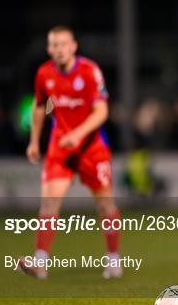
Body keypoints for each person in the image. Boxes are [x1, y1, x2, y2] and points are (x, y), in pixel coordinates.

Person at [19, 25, 122, 279]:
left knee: (105, 205)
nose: (59, 49)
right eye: (54, 45)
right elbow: (39, 105)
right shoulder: (44, 74)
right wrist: (34, 141)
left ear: (74, 46)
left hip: (91, 148)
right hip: (60, 147)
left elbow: (102, 112)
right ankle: (40, 262)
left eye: (63, 44)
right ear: (48, 49)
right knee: (49, 203)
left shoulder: (89, 71)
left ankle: (114, 259)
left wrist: (78, 134)